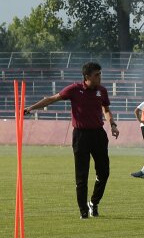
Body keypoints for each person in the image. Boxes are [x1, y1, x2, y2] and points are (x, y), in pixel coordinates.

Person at [24, 61, 118, 219]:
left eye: (100, 74)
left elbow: (106, 109)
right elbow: (52, 99)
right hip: (81, 136)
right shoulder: (74, 89)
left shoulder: (102, 90)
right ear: (87, 76)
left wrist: (113, 124)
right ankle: (83, 211)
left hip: (98, 135)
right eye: (97, 75)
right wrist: (31, 108)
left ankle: (93, 203)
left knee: (104, 172)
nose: (100, 77)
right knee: (82, 175)